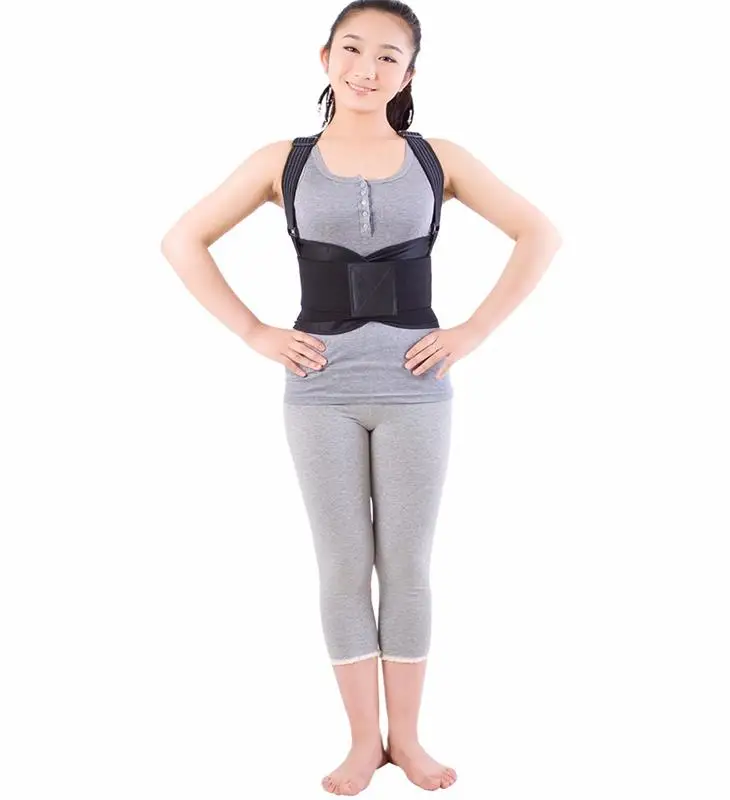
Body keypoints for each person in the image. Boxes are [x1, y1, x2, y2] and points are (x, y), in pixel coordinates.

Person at [161, 0, 562, 794]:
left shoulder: (437, 159)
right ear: (325, 58)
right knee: (343, 565)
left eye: (387, 57)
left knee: (406, 564)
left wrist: (474, 330)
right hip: (321, 390)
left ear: (408, 74)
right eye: (352, 50)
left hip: (416, 388)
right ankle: (359, 743)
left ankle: (406, 739)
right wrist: (254, 331)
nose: (366, 69)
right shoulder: (284, 161)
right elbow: (182, 240)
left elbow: (539, 232)